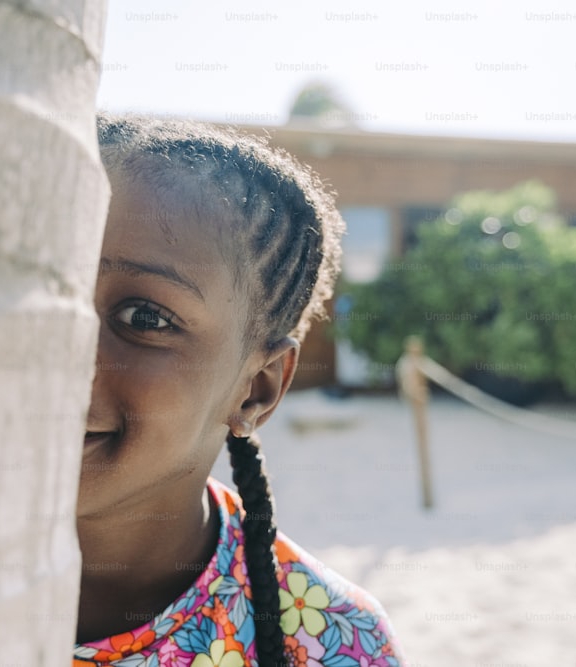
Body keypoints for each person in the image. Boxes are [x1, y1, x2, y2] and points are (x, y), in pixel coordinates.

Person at [73, 114, 406, 667]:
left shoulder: (331, 642)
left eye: (144, 318)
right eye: (45, 293)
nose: (64, 353)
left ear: (256, 389)